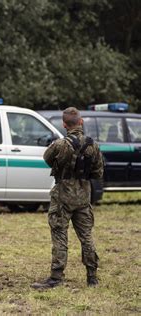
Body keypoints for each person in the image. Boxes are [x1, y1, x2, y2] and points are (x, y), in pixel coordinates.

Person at [31, 107, 104, 289]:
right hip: (83, 196)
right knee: (86, 236)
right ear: (81, 122)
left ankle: (56, 277)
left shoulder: (59, 145)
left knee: (59, 234)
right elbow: (98, 172)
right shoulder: (92, 146)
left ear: (64, 125)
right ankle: (92, 277)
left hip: (63, 195)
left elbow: (47, 158)